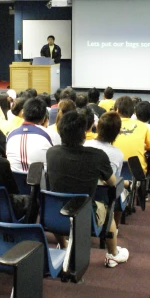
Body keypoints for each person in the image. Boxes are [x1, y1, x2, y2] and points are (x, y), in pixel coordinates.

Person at [46, 110, 128, 268]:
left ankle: (63, 245)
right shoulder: (97, 155)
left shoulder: (51, 153)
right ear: (85, 132)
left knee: (58, 200)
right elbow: (112, 183)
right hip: (85, 216)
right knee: (107, 208)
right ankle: (113, 254)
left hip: (53, 216)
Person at [6, 97, 60, 172]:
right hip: (43, 182)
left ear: (23, 114)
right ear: (43, 118)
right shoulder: (52, 135)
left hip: (14, 182)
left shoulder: (10, 134)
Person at [112, 96, 150, 174]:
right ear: (133, 112)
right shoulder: (142, 126)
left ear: (117, 111)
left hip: (112, 171)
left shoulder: (108, 125)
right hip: (136, 173)